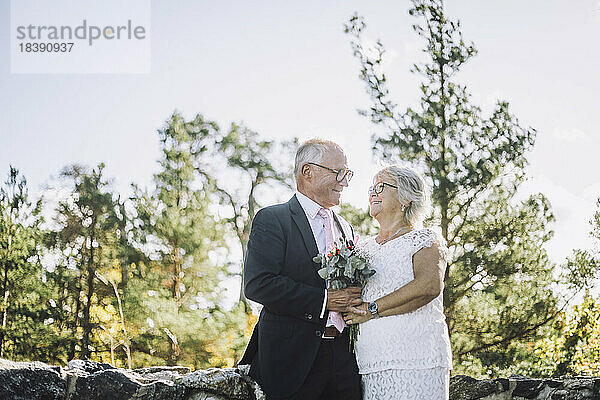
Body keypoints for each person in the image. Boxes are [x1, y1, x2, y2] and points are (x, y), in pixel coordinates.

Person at [239, 138, 365, 400]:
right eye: (338, 172)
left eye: (347, 173)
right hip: (291, 360)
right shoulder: (273, 219)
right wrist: (325, 300)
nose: (345, 181)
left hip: (344, 360)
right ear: (308, 172)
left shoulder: (346, 227)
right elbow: (258, 284)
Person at [343, 165, 452, 400]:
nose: (373, 192)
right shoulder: (363, 249)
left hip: (417, 359)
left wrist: (372, 309)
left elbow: (428, 287)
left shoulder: (425, 238)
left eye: (381, 187)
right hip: (371, 361)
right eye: (371, 187)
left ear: (405, 198)